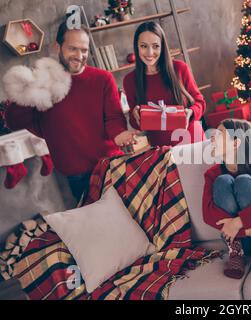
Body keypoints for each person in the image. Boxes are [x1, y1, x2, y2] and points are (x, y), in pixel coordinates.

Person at [4, 21, 137, 202]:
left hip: (112, 163)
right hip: (77, 175)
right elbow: (14, 121)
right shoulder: (45, 83)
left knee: (133, 217)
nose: (80, 56)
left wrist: (119, 133)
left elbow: (113, 118)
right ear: (58, 47)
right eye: (73, 49)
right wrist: (32, 86)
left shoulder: (102, 79)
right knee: (99, 225)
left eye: (84, 50)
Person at [203, 119, 251, 279]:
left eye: (219, 134)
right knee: (223, 181)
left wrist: (239, 222)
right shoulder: (212, 174)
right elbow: (208, 214)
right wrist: (247, 231)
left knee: (244, 180)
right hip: (237, 238)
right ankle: (236, 253)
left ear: (235, 143)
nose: (212, 137)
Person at [123, 21, 206, 147]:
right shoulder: (130, 80)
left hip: (193, 141)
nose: (150, 53)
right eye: (144, 46)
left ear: (162, 47)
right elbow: (135, 124)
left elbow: (200, 102)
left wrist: (191, 112)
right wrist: (135, 115)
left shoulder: (179, 68)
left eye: (155, 46)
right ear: (137, 47)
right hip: (163, 151)